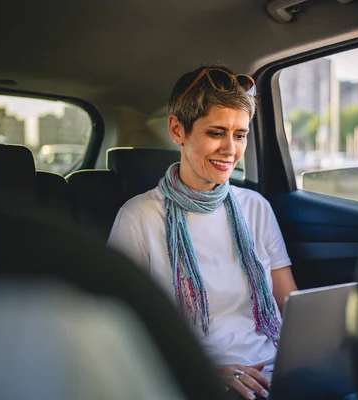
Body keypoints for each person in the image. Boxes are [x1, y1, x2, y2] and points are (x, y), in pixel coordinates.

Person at [108, 64, 298, 400]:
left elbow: (289, 303)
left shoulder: (256, 207)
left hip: (277, 370)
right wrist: (206, 372)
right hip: (194, 377)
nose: (230, 149)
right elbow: (120, 329)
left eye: (239, 134)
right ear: (177, 130)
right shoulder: (138, 217)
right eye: (215, 132)